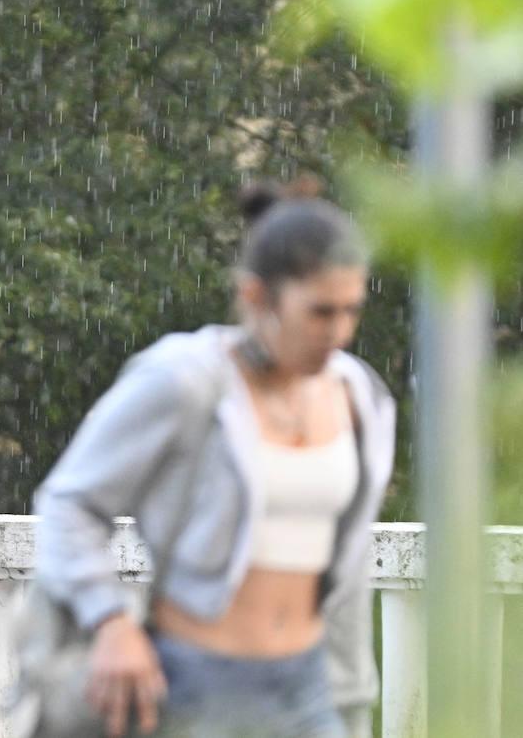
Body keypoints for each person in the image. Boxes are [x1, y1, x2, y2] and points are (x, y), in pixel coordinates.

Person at [33, 182, 395, 738]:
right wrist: (110, 621)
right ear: (257, 298)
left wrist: (350, 693)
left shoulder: (362, 396)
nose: (338, 333)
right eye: (320, 313)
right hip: (194, 684)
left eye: (352, 311)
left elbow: (345, 561)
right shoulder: (186, 379)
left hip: (309, 687)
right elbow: (69, 503)